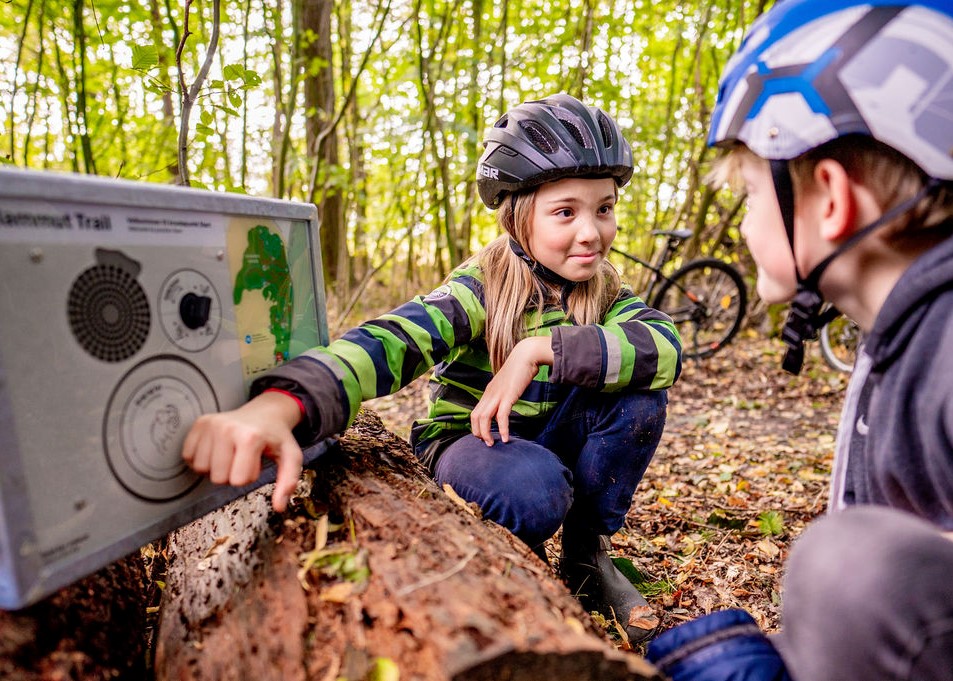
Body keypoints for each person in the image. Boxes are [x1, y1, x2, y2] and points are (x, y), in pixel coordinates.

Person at [182, 93, 682, 643]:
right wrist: (284, 401)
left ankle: (586, 554)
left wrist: (542, 349)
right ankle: (523, 553)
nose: (591, 232)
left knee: (641, 394)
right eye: (566, 211)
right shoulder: (481, 288)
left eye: (604, 208)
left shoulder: (607, 291)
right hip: (476, 444)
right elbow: (393, 341)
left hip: (553, 438)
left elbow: (664, 346)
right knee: (532, 491)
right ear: (518, 215)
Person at [643, 1, 953, 680]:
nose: (743, 226)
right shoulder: (896, 337)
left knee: (848, 570)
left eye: (751, 195)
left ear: (831, 199)